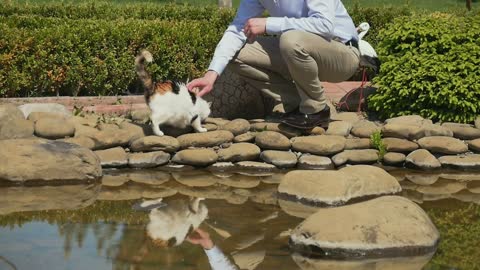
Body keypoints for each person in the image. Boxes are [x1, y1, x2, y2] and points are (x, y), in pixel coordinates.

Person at [187, 0, 361, 129]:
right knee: (235, 54)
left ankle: (316, 110)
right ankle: (296, 104)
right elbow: (237, 29)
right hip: (300, 53)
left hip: (342, 54)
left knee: (290, 39)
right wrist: (211, 75)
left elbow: (325, 25)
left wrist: (269, 23)